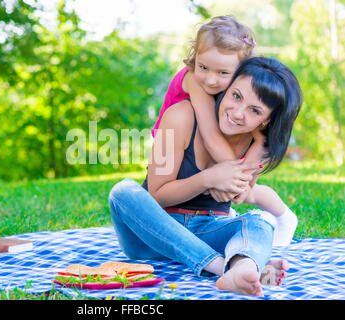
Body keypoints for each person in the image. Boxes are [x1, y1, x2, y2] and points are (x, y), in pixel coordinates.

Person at [109, 57, 302, 296]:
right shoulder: (180, 117)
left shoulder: (256, 145)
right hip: (151, 235)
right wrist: (208, 178)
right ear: (227, 87)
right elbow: (156, 197)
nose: (238, 113)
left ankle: (244, 268)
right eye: (236, 96)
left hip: (207, 230)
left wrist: (251, 162)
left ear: (267, 120)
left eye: (255, 110)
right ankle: (223, 267)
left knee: (259, 221)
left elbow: (240, 195)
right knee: (122, 192)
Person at [152, 15, 297, 246]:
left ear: (240, 71)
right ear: (195, 58)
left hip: (205, 145)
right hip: (175, 136)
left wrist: (236, 183)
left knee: (251, 188)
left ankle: (279, 216)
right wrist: (230, 178)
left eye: (222, 73)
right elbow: (210, 135)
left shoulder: (243, 99)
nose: (210, 80)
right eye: (204, 67)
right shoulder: (194, 80)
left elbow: (259, 145)